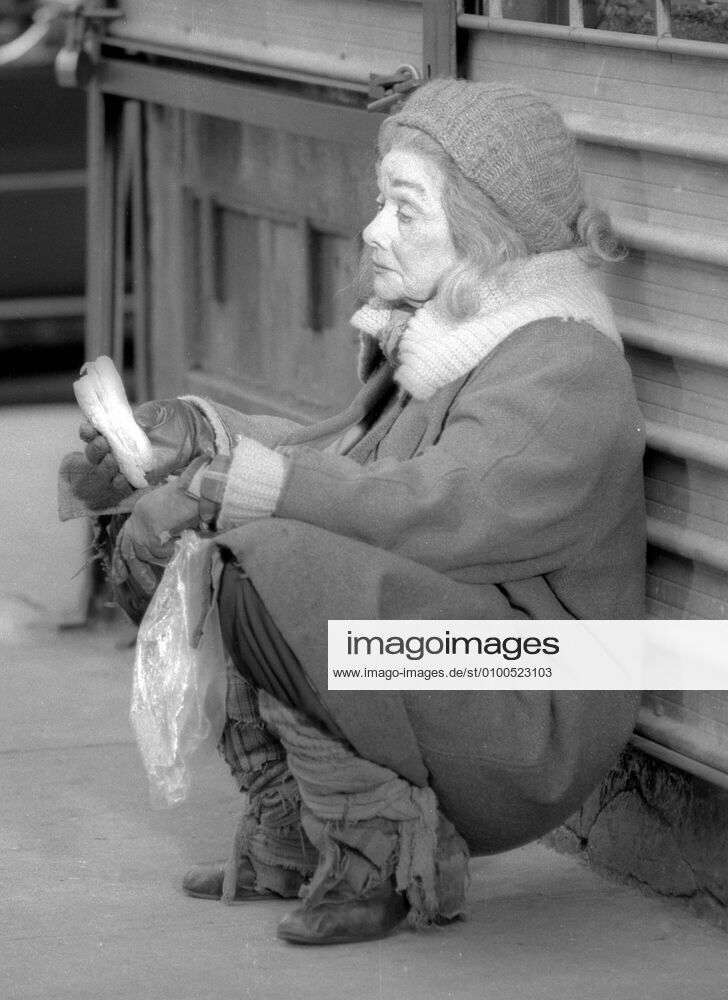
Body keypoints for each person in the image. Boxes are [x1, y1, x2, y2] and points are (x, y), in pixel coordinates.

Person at [69, 80, 646, 946]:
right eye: (383, 201)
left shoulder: (564, 369)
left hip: (537, 697)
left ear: (487, 234)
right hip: (470, 658)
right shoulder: (452, 334)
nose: (374, 230)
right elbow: (345, 462)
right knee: (176, 539)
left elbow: (436, 510)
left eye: (405, 209)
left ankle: (377, 854)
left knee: (271, 563)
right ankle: (297, 829)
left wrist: (236, 485)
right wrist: (196, 436)